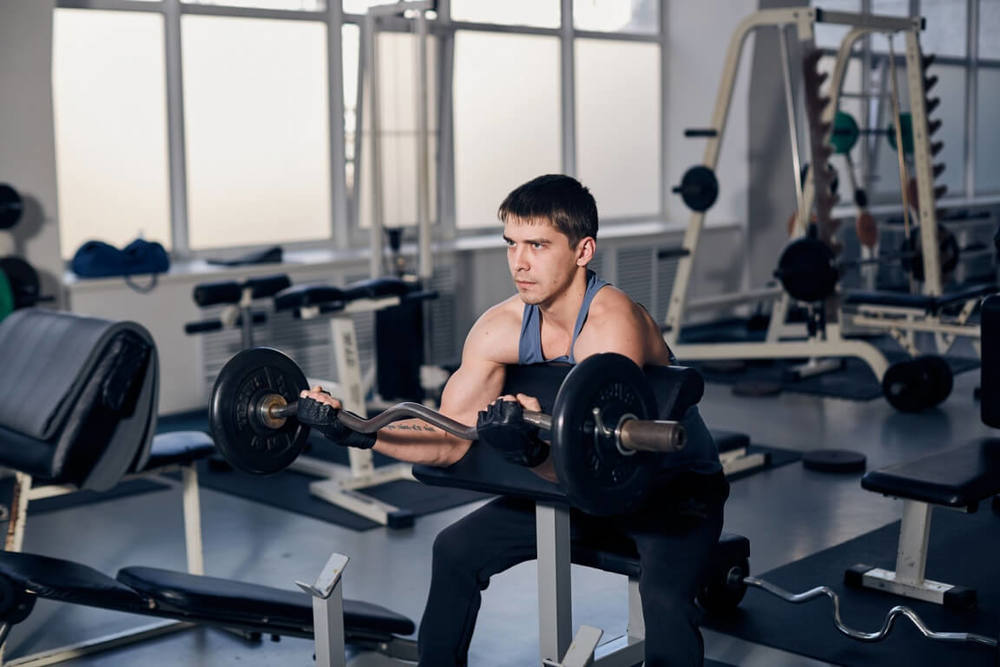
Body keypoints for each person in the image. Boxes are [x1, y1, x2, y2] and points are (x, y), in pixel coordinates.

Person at [298, 174, 728, 666]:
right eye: (511, 244)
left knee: (665, 600)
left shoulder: (611, 325)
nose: (519, 262)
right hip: (574, 490)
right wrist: (355, 430)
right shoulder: (498, 327)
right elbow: (449, 439)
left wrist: (531, 451)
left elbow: (602, 471)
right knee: (455, 550)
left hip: (672, 493)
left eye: (538, 245)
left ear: (583, 250)